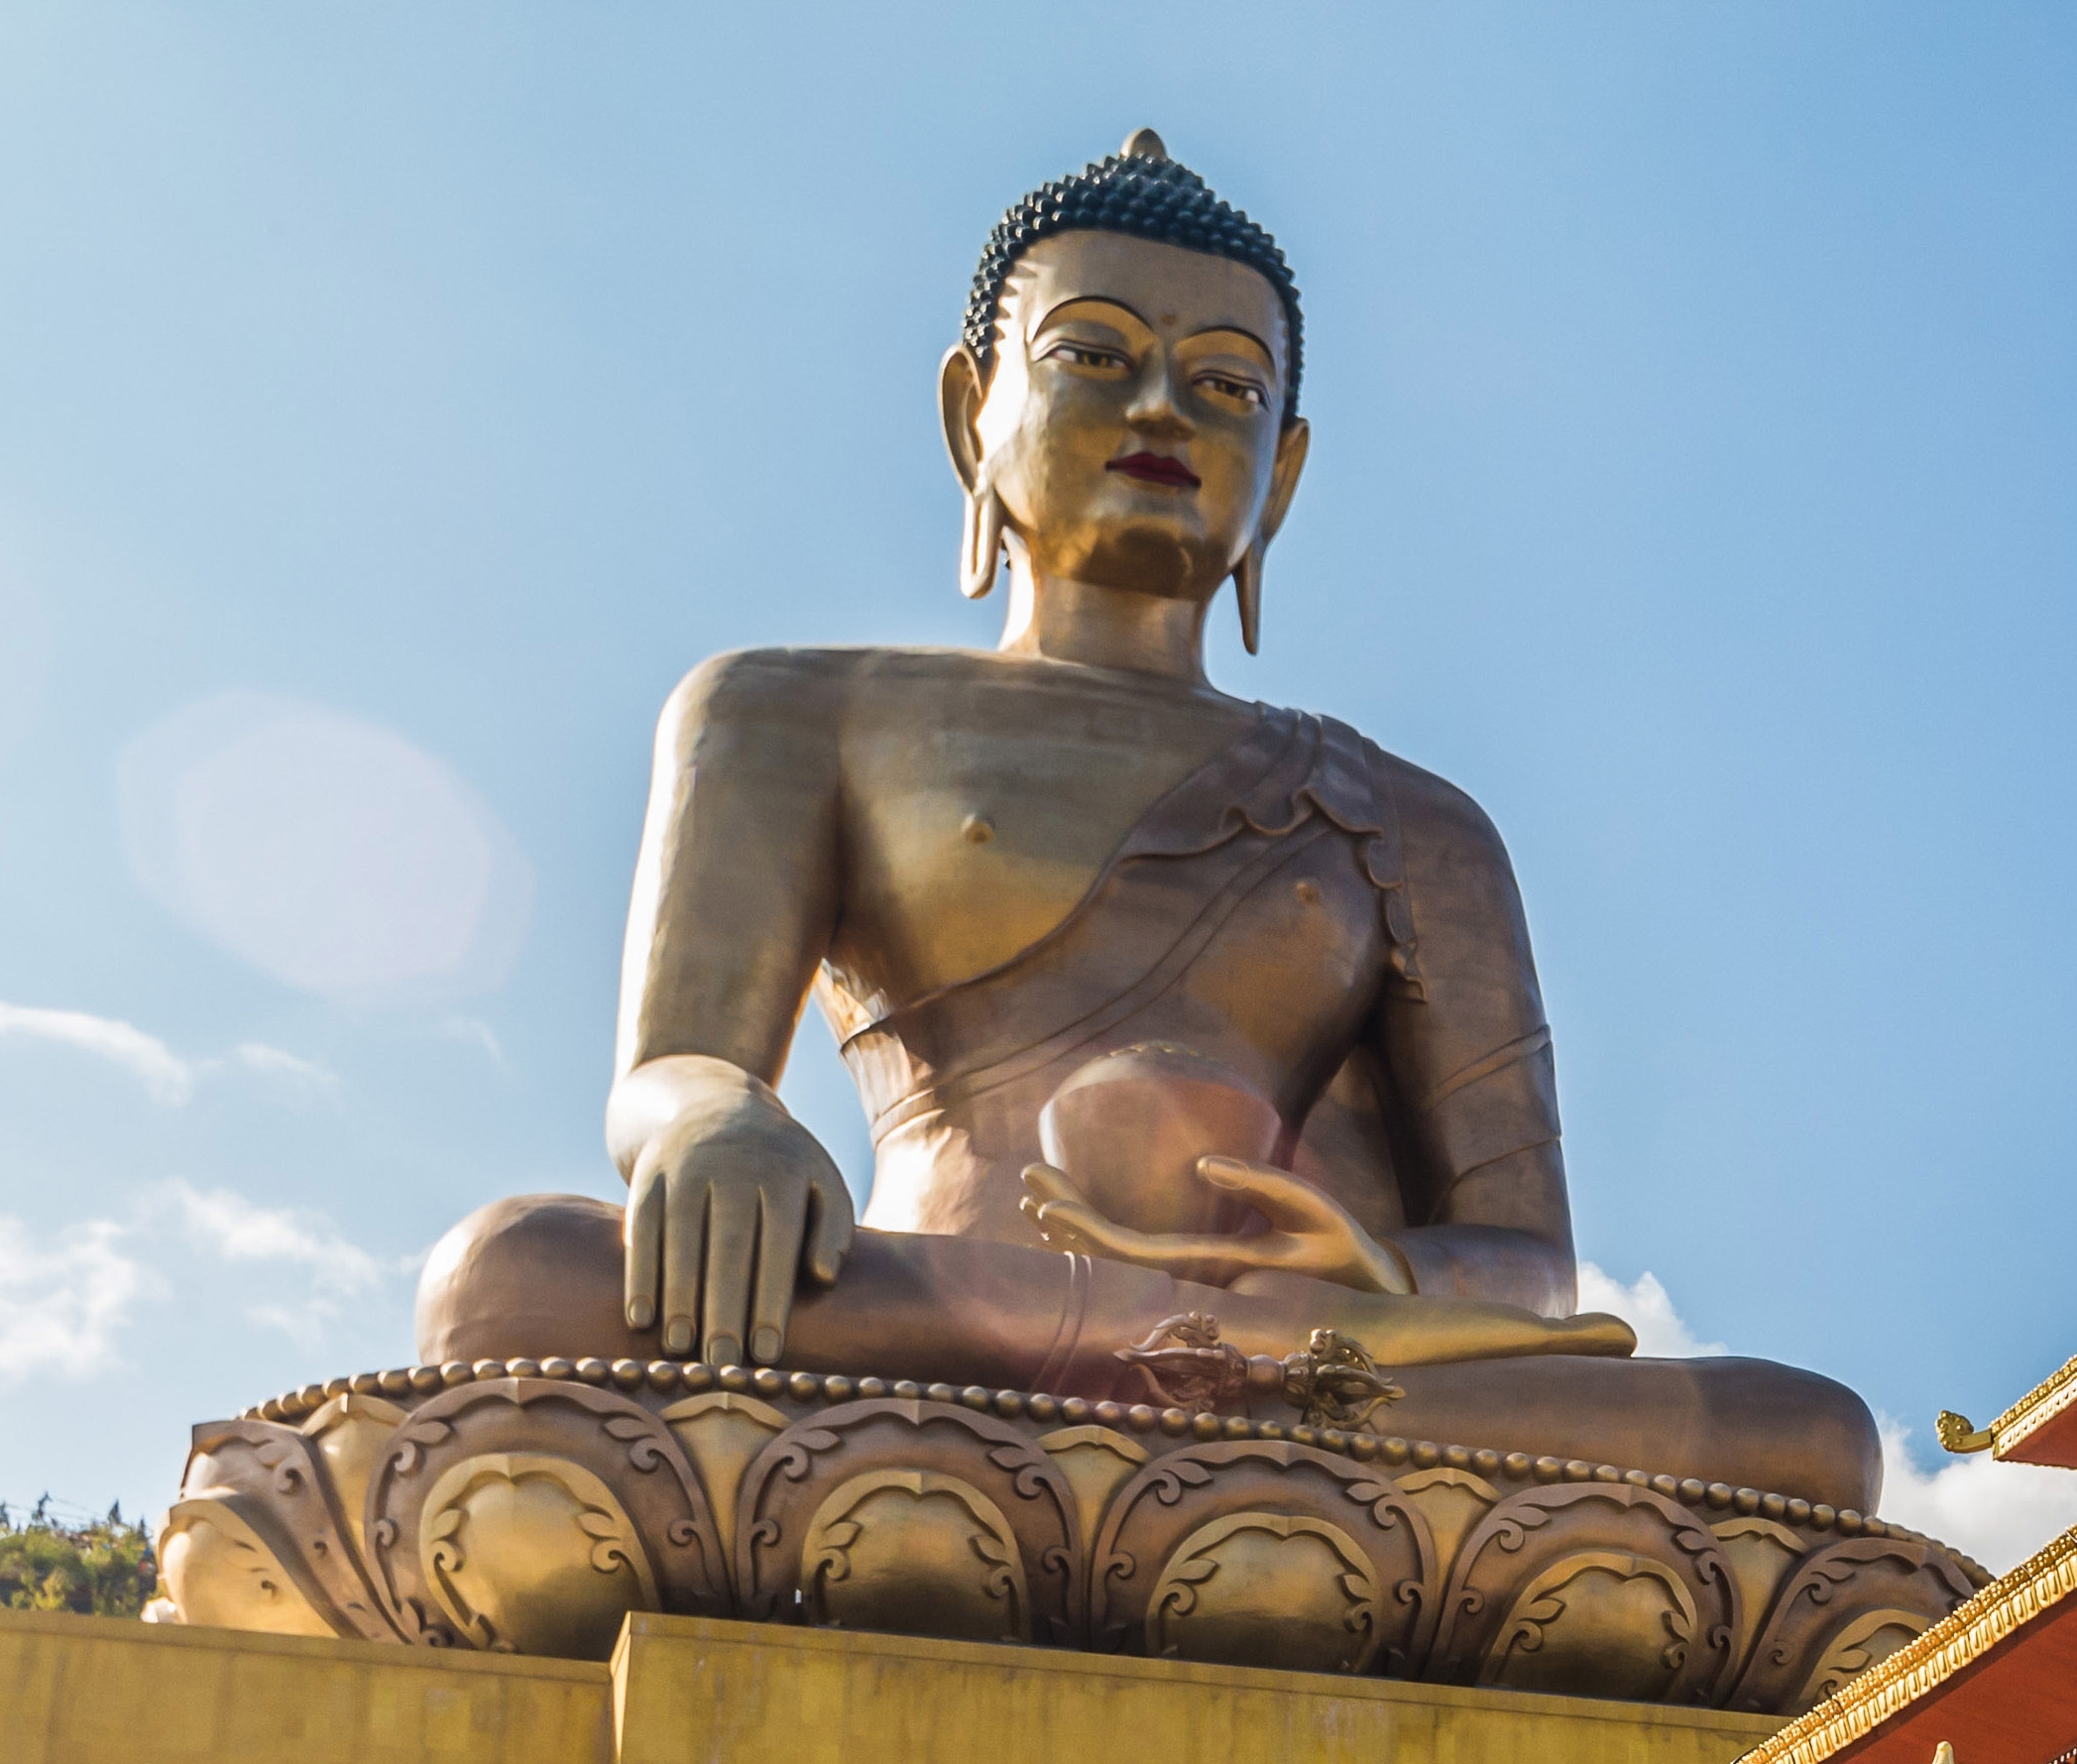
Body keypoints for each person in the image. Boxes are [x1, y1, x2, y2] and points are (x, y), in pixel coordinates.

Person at [410, 132, 1880, 1513]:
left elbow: (1531, 1270)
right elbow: (674, 1065)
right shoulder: (788, 712)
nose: (1164, 408)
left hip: (1302, 1359)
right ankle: (1210, 1445)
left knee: (1805, 1438)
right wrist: (717, 1117)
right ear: (966, 415)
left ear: (1283, 476)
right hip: (933, 1315)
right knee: (514, 1282)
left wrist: (1370, 1278)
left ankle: (1181, 1426)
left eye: (1227, 384)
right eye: (1096, 356)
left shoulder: (1413, 821)